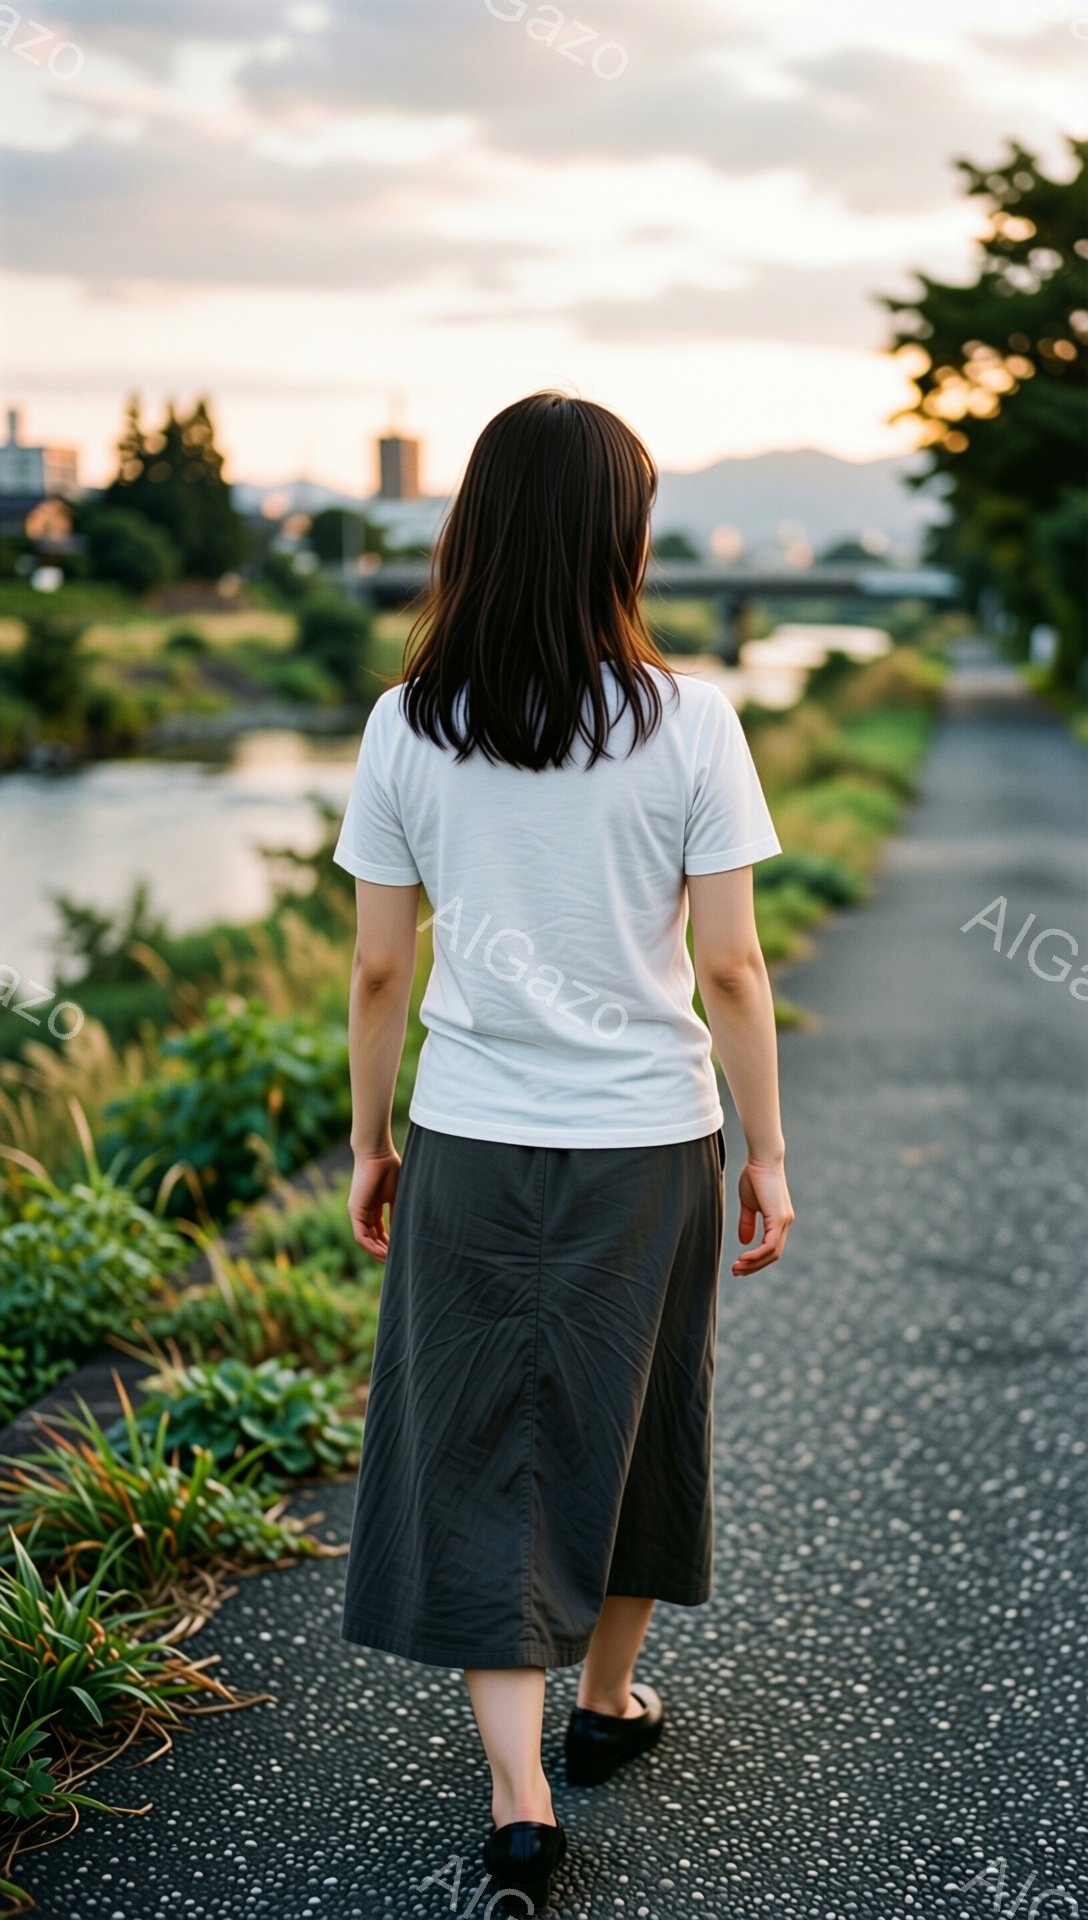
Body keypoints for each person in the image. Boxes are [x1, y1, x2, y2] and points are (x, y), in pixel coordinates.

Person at [333, 390, 795, 1916]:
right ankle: (605, 1705)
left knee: (482, 1443)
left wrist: (368, 1140)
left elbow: (379, 974)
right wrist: (768, 1157)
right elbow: (730, 968)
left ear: (474, 526)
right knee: (640, 1414)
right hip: (651, 1137)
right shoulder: (693, 720)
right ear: (623, 536)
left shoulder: (408, 725)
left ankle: (521, 1798)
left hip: (469, 1134)